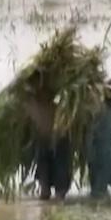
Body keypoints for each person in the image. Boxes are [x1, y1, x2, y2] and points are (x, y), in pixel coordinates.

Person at [22, 71, 72, 201]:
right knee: (45, 191)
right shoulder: (31, 105)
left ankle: (54, 215)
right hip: (42, 145)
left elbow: (64, 126)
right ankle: (45, 216)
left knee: (60, 191)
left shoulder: (58, 108)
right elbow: (15, 92)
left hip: (59, 145)